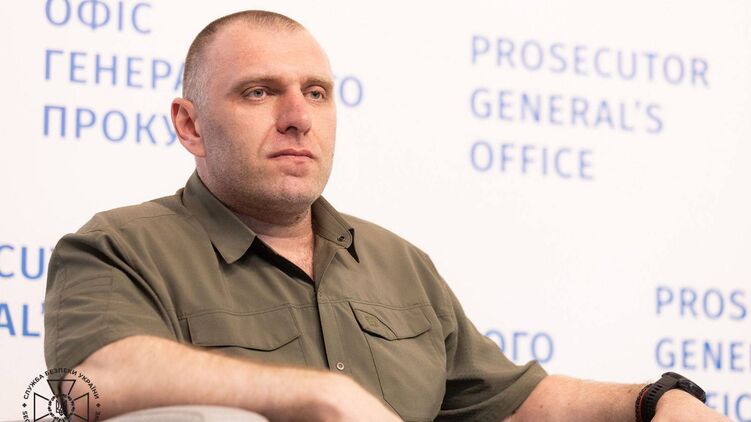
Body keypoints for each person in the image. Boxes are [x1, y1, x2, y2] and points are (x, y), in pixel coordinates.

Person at [44, 10, 728, 422]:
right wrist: (318, 397)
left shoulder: (398, 263)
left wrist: (655, 399)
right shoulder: (118, 247)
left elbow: (512, 403)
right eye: (259, 92)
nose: (297, 117)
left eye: (316, 92)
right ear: (190, 125)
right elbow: (94, 380)